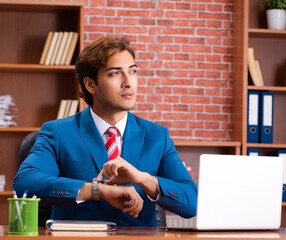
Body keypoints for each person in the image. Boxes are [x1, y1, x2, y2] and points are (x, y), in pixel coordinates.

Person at [13, 37, 198, 227]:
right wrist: (96, 190)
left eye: (132, 71)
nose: (128, 82)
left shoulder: (157, 137)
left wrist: (143, 178)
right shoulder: (57, 133)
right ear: (90, 85)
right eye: (114, 74)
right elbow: (24, 183)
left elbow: (193, 202)